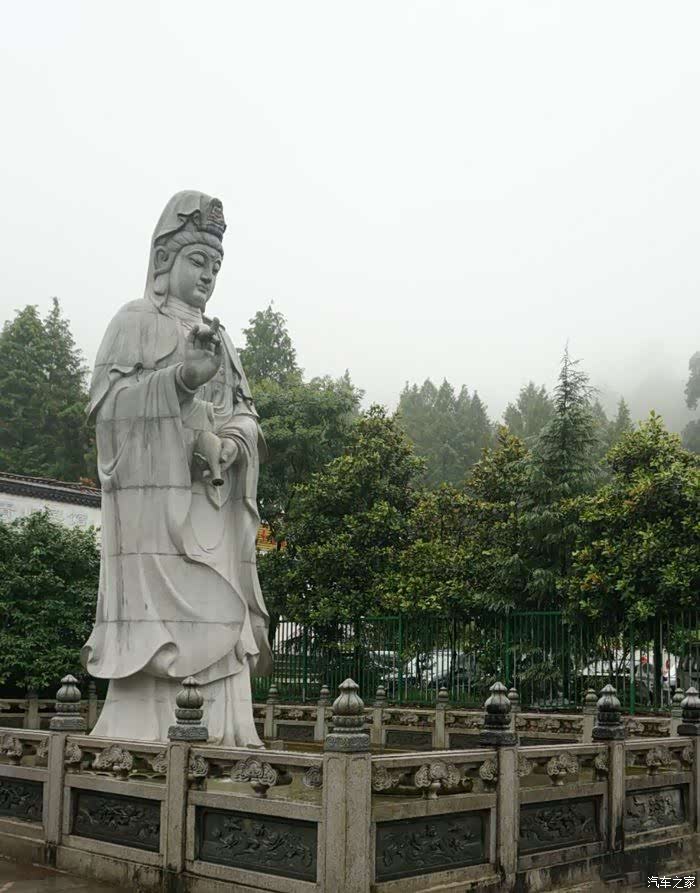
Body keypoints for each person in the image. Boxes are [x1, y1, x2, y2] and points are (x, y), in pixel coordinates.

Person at [82, 190, 271, 745]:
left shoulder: (223, 340)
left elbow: (246, 415)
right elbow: (108, 414)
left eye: (216, 266)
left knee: (223, 616)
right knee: (166, 628)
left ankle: (227, 732)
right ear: (164, 261)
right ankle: (144, 734)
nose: (208, 275)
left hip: (212, 508)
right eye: (198, 260)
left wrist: (232, 443)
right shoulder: (135, 322)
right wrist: (181, 381)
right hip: (158, 522)